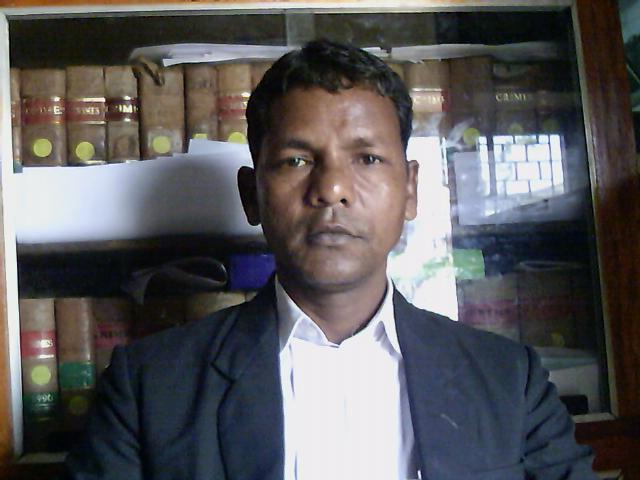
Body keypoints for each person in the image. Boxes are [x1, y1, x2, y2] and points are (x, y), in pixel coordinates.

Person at [65, 39, 597, 479]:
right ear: (252, 196)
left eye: (367, 158)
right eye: (297, 160)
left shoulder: (508, 380)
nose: (332, 188)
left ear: (410, 189)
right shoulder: (150, 388)